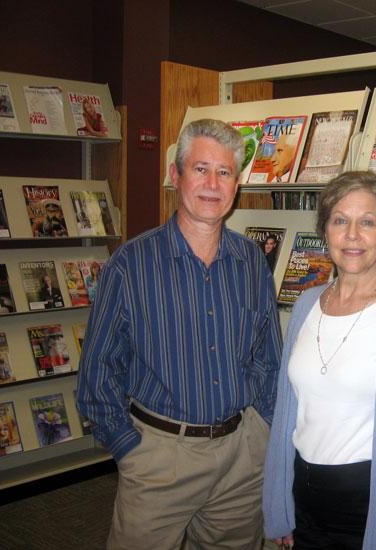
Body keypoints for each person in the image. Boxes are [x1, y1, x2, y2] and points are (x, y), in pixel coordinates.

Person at [76, 118, 282, 550]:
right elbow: (98, 370)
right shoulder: (130, 265)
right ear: (176, 176)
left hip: (241, 459)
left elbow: (268, 357)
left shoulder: (252, 261)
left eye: (224, 172)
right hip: (159, 459)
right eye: (200, 169)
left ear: (237, 183)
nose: (212, 183)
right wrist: (130, 449)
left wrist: (262, 433)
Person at [263, 171, 376, 549]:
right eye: (340, 221)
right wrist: (280, 503)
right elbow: (289, 411)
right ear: (325, 232)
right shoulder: (306, 304)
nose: (352, 235)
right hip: (304, 496)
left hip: (367, 503)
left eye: (367, 222)